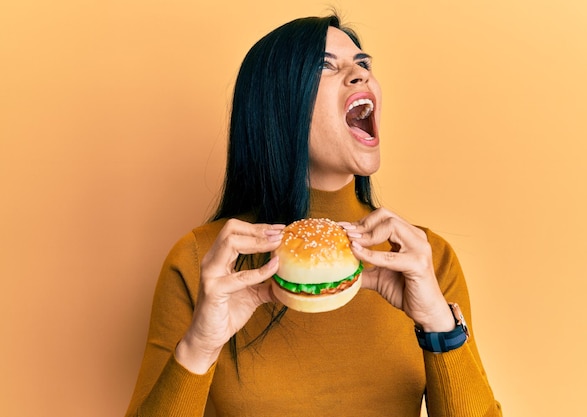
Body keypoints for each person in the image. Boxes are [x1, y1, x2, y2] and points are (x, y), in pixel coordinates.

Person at [125, 14, 502, 417]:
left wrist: (439, 327)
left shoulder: (422, 259)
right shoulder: (203, 262)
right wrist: (199, 346)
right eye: (326, 65)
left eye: (363, 63)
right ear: (277, 104)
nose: (360, 74)